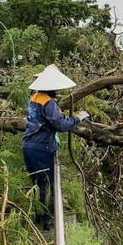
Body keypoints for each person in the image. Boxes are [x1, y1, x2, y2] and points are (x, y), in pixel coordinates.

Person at [21, 64, 90, 229]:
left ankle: (37, 216)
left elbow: (43, 120)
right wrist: (78, 118)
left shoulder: (35, 97)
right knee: (46, 186)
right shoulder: (48, 102)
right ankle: (46, 222)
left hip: (28, 145)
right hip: (42, 148)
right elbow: (61, 125)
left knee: (36, 184)